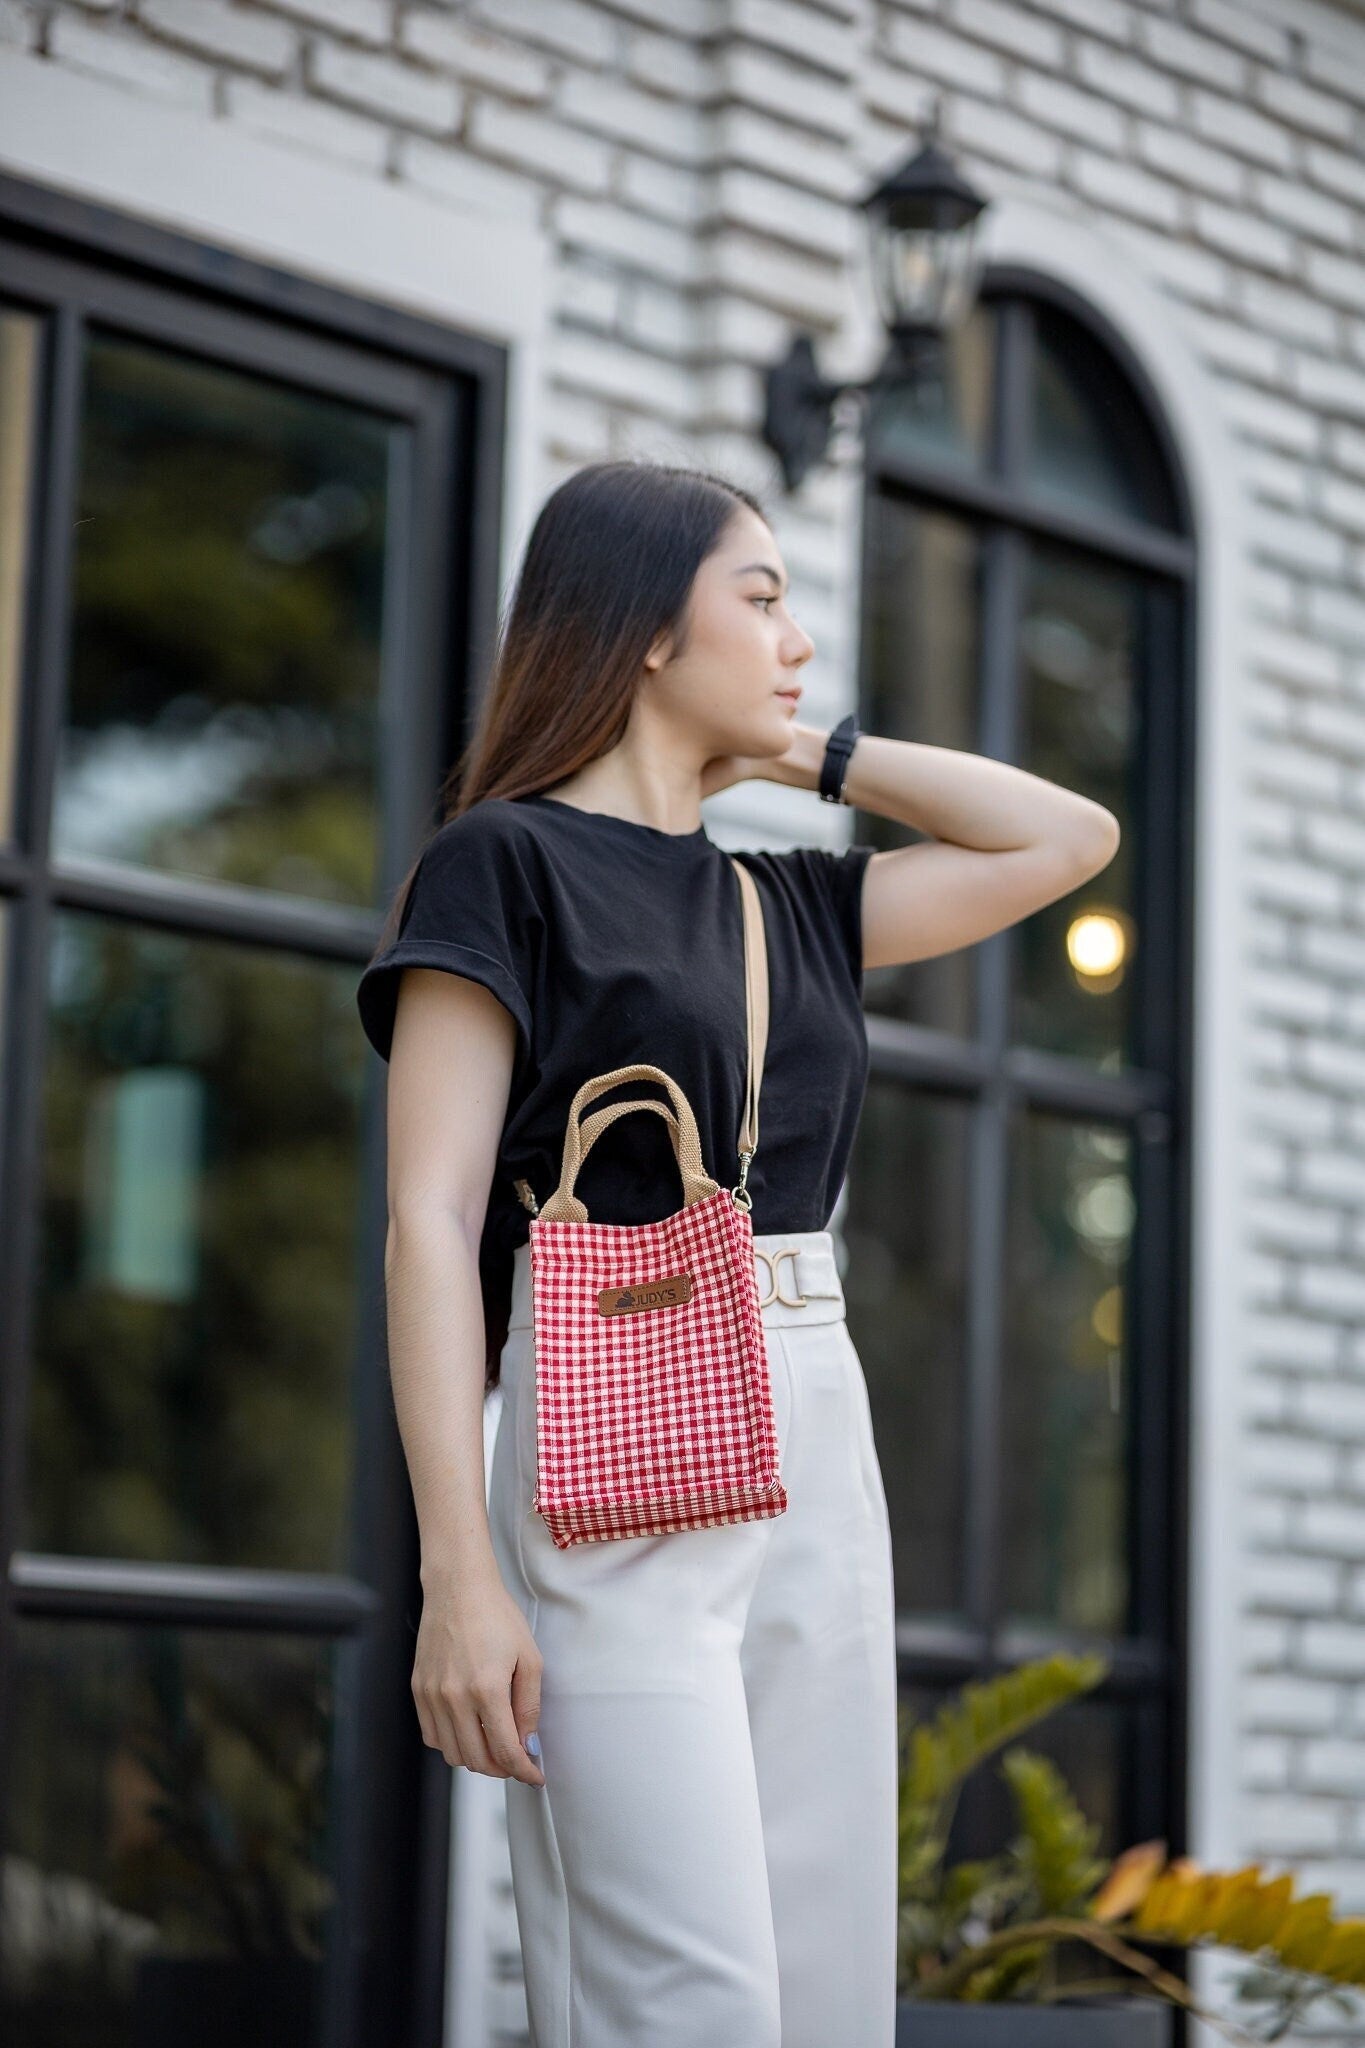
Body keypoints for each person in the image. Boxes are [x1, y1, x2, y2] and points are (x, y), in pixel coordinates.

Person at [355, 458, 1120, 2047]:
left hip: (808, 1415)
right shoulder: (501, 864)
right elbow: (429, 1218)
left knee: (826, 1984)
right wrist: (456, 1572)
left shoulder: (787, 904)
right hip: (606, 1405)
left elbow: (1064, 838)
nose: (796, 638)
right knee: (680, 2000)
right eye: (757, 597)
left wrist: (815, 752)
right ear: (640, 623)